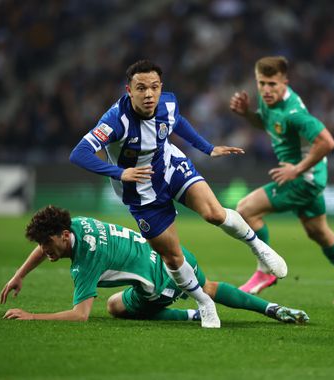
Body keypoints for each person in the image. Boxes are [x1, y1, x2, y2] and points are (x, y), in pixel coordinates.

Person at [69, 60, 287, 328]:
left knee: (214, 213)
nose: (149, 94)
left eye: (154, 87)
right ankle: (204, 303)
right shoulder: (116, 121)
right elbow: (78, 153)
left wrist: (207, 148)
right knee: (172, 257)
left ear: (161, 88)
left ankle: (259, 248)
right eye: (141, 88)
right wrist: (119, 173)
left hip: (171, 167)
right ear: (129, 90)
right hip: (141, 192)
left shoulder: (168, 103)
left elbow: (177, 122)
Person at [0, 206, 308, 325]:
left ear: (64, 236)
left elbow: (80, 316)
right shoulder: (76, 224)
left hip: (161, 285)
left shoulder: (86, 261)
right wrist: (19, 274)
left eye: (47, 245)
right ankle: (273, 309)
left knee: (115, 306)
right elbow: (46, 247)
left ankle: (189, 315)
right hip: (174, 252)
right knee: (209, 287)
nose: (44, 251)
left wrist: (32, 316)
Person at [229, 56, 334, 304]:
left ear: (285, 82)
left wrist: (297, 169)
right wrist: (246, 114)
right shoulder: (268, 101)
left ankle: (265, 271)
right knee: (318, 231)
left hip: (304, 178)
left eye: (272, 84)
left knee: (246, 210)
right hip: (311, 177)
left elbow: (327, 141)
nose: (266, 90)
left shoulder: (294, 113)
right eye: (262, 83)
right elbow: (267, 122)